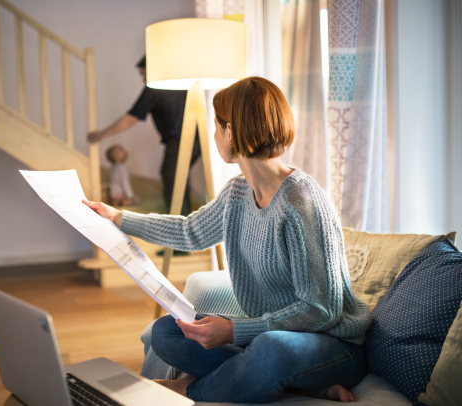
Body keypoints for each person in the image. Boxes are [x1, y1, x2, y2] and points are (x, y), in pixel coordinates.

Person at [83, 76, 372, 403]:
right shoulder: (237, 193)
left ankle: (184, 391)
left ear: (231, 131)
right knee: (167, 332)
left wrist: (236, 330)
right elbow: (190, 232)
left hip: (332, 345)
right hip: (269, 336)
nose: (214, 133)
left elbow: (322, 311)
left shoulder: (301, 202)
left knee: (269, 350)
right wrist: (119, 217)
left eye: (216, 125)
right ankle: (295, 385)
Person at [87, 56, 201, 217]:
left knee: (173, 180)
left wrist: (102, 134)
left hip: (180, 139)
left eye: (143, 74)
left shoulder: (154, 87)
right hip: (195, 139)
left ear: (152, 70)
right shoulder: (177, 84)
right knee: (178, 180)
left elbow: (131, 118)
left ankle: (179, 225)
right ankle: (185, 220)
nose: (143, 79)